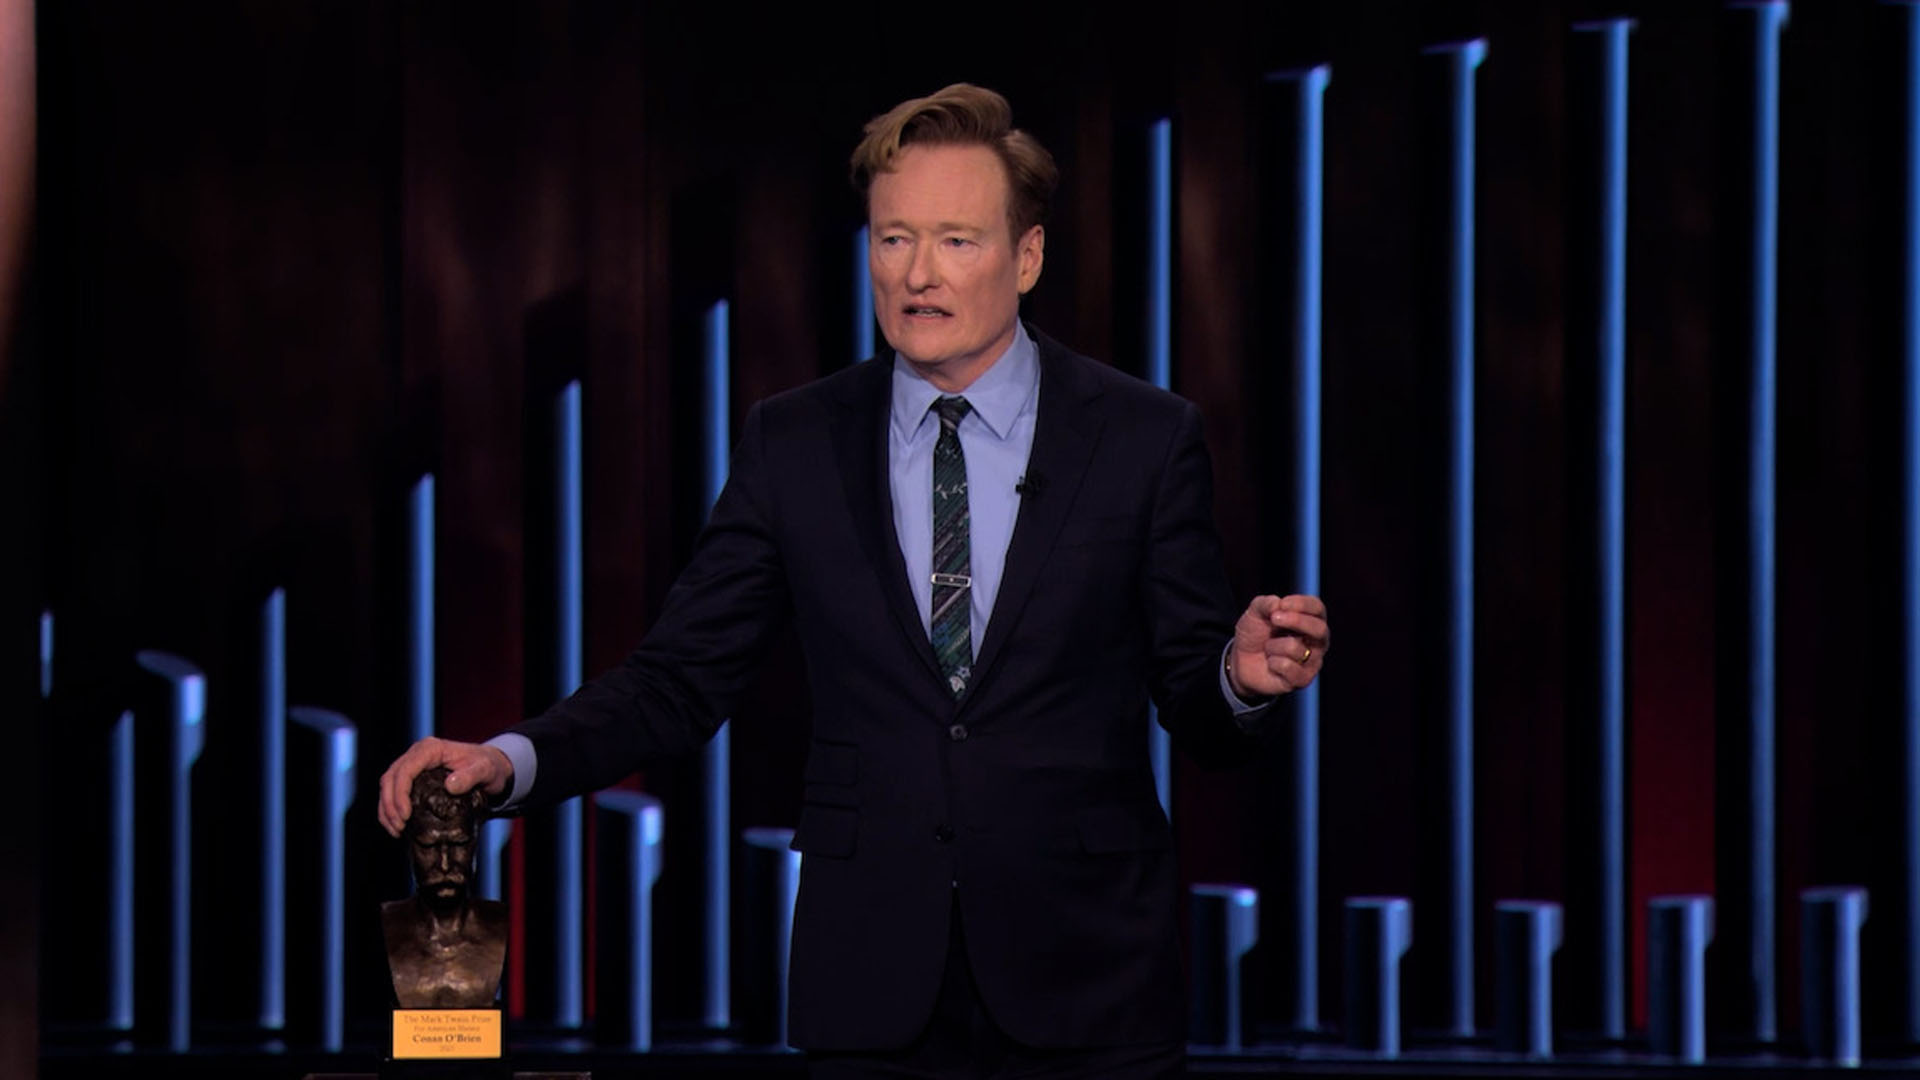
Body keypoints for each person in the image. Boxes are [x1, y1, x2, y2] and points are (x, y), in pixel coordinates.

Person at [378, 82, 1329, 1077]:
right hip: (871, 982)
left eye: (956, 240)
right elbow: (678, 681)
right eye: (893, 239)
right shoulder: (795, 441)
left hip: (1091, 980)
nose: (917, 274)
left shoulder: (1141, 436)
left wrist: (1239, 678)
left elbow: (1197, 707)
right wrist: (509, 760)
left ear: (1028, 256)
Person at [381, 766, 508, 1009]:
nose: (445, 864)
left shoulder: (499, 925)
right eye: (428, 846)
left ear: (476, 840)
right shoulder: (389, 925)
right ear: (409, 846)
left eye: (459, 843)